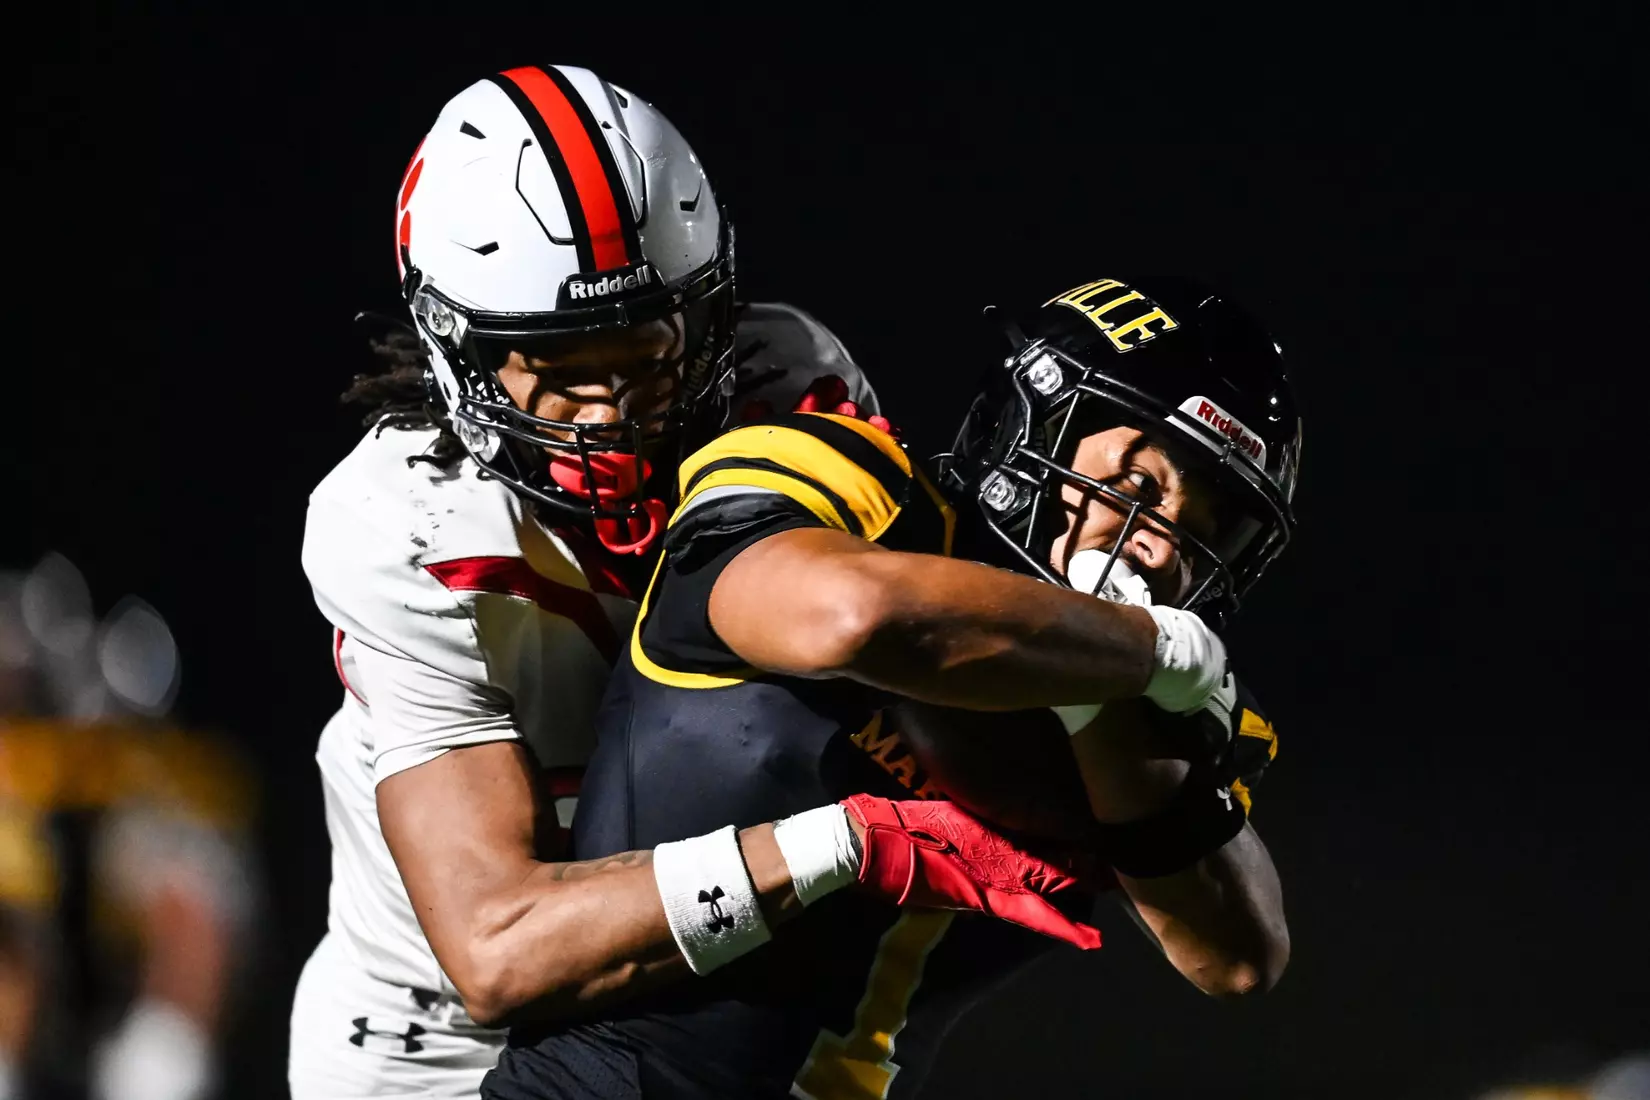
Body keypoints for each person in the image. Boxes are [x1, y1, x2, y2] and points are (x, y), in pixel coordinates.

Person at [289, 64, 1132, 1100]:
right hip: (437, 1049)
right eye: (557, 365)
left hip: (710, 991)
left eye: (641, 351)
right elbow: (499, 950)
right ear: (458, 349)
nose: (609, 413)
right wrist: (849, 841)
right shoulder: (405, 522)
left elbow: (887, 649)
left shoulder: (786, 382)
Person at [481, 275, 1299, 1099]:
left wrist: (1099, 692)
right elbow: (850, 618)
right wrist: (1144, 650)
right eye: (1142, 485)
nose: (1162, 546)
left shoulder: (1156, 698)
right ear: (1041, 418)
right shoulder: (853, 482)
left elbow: (1236, 956)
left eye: (1211, 526)